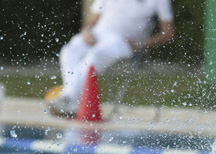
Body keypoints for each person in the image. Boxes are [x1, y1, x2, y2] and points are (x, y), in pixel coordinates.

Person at [47, 0, 175, 117]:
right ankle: (70, 99)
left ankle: (68, 98)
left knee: (95, 56)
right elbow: (92, 19)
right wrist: (86, 31)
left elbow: (168, 33)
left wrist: (140, 44)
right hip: (97, 34)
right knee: (68, 51)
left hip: (122, 41)